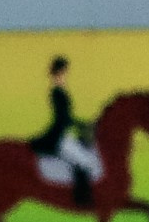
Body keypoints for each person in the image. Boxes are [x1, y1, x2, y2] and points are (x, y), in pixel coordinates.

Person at [29, 55, 100, 208]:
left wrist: (83, 124)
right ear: (60, 72)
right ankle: (81, 199)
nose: (66, 74)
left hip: (64, 134)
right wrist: (83, 125)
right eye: (64, 71)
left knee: (86, 158)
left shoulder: (60, 90)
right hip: (59, 137)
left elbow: (66, 118)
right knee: (85, 162)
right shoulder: (57, 92)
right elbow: (63, 118)